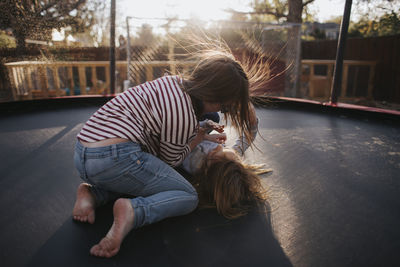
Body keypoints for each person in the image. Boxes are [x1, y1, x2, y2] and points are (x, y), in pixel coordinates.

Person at [72, 50, 256, 258]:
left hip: (83, 153)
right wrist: (199, 137)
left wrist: (201, 132)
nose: (221, 110)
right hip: (114, 157)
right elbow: (172, 160)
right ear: (214, 97)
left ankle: (93, 194)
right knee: (187, 196)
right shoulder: (185, 117)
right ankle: (134, 211)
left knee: (145, 178)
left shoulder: (172, 82)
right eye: (223, 105)